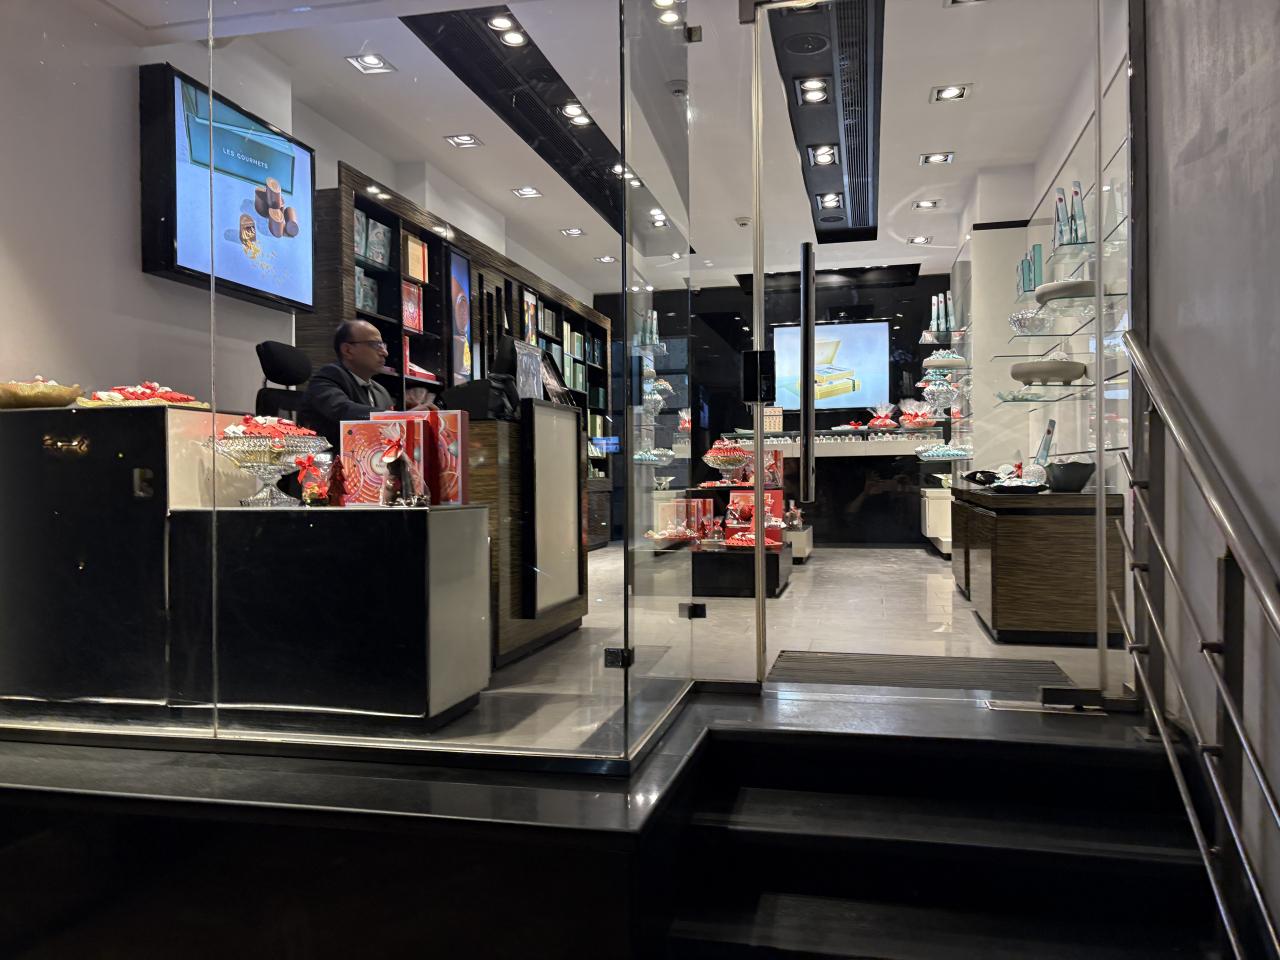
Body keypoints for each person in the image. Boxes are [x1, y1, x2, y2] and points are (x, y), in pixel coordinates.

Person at [299, 320, 396, 449]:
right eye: (376, 345)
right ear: (348, 350)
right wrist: (395, 417)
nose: (385, 353)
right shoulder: (327, 377)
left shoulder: (381, 391)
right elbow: (343, 410)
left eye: (383, 345)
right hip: (329, 459)